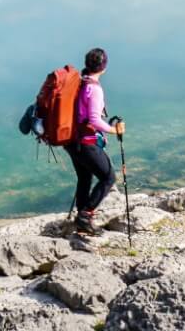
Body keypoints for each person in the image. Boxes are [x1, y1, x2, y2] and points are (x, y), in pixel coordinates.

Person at [65, 47, 124, 235]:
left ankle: (81, 219)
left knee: (84, 177)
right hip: (86, 142)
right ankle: (85, 216)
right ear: (103, 67)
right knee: (108, 177)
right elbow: (94, 120)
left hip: (71, 141)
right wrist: (114, 130)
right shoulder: (94, 88)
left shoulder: (79, 82)